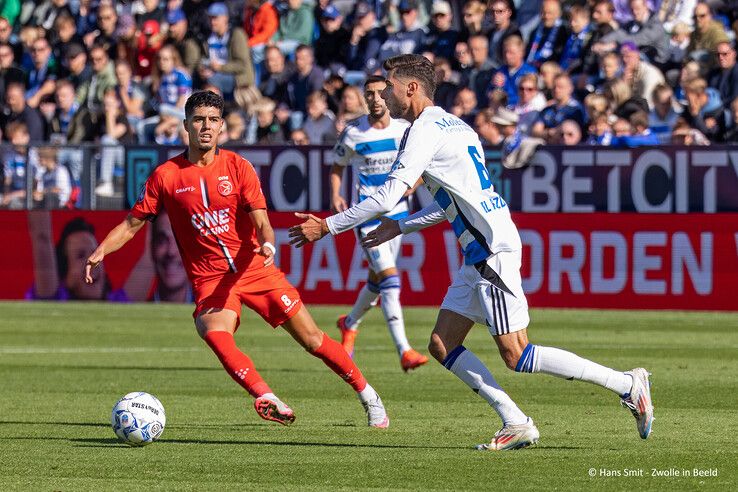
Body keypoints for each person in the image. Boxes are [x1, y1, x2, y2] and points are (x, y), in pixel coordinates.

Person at [289, 54, 653, 450]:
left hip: (489, 249)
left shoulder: (422, 131)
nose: (384, 96)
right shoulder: (456, 125)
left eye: (390, 87)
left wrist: (327, 225)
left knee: (517, 354)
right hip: (480, 247)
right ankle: (514, 421)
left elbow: (389, 195)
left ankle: (627, 384)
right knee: (442, 344)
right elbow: (456, 198)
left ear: (411, 88)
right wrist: (402, 224)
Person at [85, 90, 389, 428]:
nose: (206, 126)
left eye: (213, 120)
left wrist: (269, 245)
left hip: (254, 268)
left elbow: (262, 221)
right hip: (211, 279)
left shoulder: (238, 166)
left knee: (313, 339)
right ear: (185, 125)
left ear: (221, 128)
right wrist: (101, 250)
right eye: (199, 119)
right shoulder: (166, 176)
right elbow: (132, 224)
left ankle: (368, 395)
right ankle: (266, 396)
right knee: (213, 331)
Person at [330, 74, 428, 371]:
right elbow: (337, 166)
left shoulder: (404, 129)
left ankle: (349, 324)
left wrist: (415, 183)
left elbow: (424, 163)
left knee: (377, 281)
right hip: (367, 215)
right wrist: (335, 194)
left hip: (399, 215)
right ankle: (405, 350)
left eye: (378, 93)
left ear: (388, 94)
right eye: (368, 94)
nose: (374, 99)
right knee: (390, 278)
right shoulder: (353, 133)